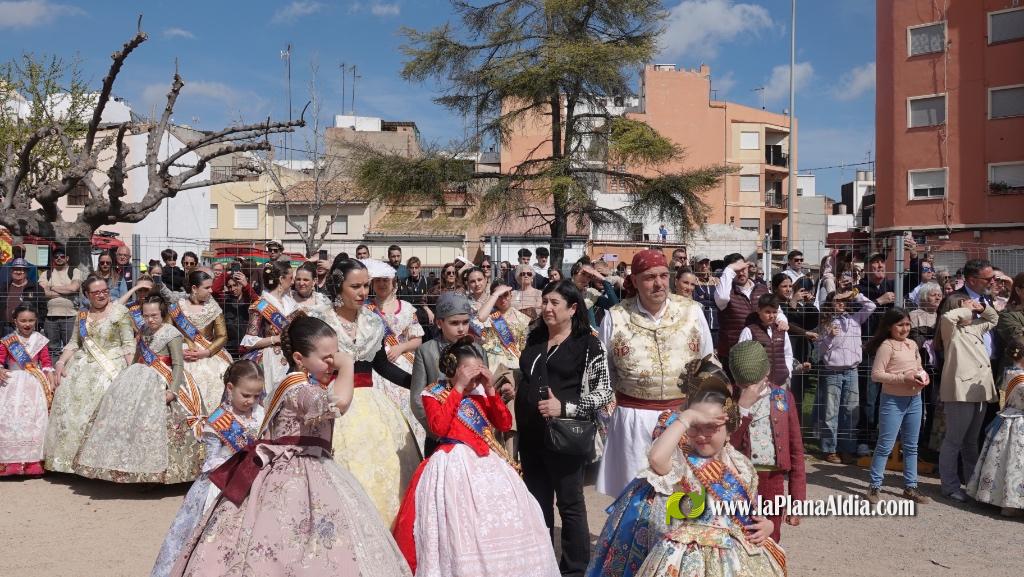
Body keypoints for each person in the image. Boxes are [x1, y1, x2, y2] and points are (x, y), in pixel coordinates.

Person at [168, 316, 411, 577]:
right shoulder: (299, 389)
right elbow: (338, 403)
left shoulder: (306, 384)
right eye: (326, 357)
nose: (333, 361)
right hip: (292, 473)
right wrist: (348, 364)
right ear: (299, 358)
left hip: (314, 467)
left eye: (336, 354)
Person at [391, 338, 558, 576]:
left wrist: (490, 390)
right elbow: (438, 427)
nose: (474, 378)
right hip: (453, 463)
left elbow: (504, 422)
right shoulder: (433, 393)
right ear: (453, 369)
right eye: (470, 372)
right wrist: (458, 388)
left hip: (488, 463)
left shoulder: (481, 392)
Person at [586, 358, 741, 577]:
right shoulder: (671, 421)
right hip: (665, 506)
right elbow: (659, 461)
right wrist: (688, 419)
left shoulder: (720, 426)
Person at [633, 381, 786, 577]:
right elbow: (656, 458)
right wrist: (687, 416)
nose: (701, 436)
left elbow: (750, 510)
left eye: (711, 427)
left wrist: (767, 524)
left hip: (738, 557)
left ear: (729, 429)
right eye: (694, 427)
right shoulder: (681, 462)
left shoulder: (741, 465)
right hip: (687, 559)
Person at [597, 249, 714, 497]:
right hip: (633, 420)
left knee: (679, 496)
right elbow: (603, 371)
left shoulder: (692, 311)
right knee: (635, 497)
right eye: (650, 277)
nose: (659, 283)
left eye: (663, 275)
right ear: (635, 281)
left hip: (682, 419)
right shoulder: (616, 317)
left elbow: (708, 363)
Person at [519, 281, 613, 576]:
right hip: (532, 436)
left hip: (565, 436)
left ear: (573, 308)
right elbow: (527, 375)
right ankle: (542, 564)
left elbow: (603, 393)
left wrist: (565, 408)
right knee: (537, 505)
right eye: (545, 301)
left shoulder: (588, 344)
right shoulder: (533, 338)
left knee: (570, 505)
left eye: (554, 303)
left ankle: (574, 570)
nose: (547, 307)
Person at [325, 258, 421, 526]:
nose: (363, 292)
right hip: (335, 403)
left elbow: (380, 365)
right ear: (337, 286)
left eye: (366, 285)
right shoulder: (321, 321)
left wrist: (417, 382)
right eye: (355, 286)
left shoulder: (372, 321)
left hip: (373, 404)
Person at [150, 361, 264, 577]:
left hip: (256, 480)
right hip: (222, 483)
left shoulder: (261, 413)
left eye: (257, 396)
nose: (251, 401)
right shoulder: (218, 420)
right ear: (230, 389)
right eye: (246, 395)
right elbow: (212, 460)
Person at [74, 294, 202, 483]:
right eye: (146, 315)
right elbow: (137, 356)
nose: (150, 320)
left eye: (154, 316)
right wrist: (126, 379)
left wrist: (172, 391)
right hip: (140, 379)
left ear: (163, 314)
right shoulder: (143, 330)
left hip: (164, 381)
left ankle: (166, 474)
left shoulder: (171, 333)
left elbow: (178, 365)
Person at [44, 276, 135, 473]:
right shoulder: (82, 315)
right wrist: (60, 362)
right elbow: (74, 343)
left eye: (105, 291)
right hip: (82, 366)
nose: (102, 295)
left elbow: (128, 344)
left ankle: (101, 463)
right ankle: (69, 461)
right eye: (96, 292)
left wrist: (133, 372)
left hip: (112, 365)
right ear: (87, 295)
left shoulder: (120, 312)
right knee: (67, 403)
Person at [729, 340, 807, 542]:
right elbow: (727, 445)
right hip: (739, 482)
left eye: (756, 381)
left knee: (771, 537)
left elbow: (796, 451)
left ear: (768, 371)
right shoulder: (729, 402)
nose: (752, 388)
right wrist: (742, 408)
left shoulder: (783, 398)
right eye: (745, 385)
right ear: (737, 382)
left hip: (773, 481)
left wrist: (797, 501)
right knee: (741, 535)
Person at [864, 308, 932, 505]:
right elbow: (876, 375)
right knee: (885, 445)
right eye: (900, 325)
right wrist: (903, 378)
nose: (905, 328)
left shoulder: (912, 344)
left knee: (911, 446)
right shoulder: (887, 346)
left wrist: (922, 376)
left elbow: (918, 367)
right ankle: (874, 486)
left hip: (914, 399)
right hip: (893, 400)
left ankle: (911, 486)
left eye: (908, 324)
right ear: (889, 327)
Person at [937, 294, 999, 502]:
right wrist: (966, 309)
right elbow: (946, 318)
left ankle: (972, 485)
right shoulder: (951, 331)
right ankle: (949, 486)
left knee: (971, 442)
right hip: (960, 392)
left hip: (979, 391)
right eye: (967, 307)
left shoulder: (974, 327)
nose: (972, 311)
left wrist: (980, 308)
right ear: (959, 309)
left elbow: (993, 319)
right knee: (953, 441)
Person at [411, 291, 486, 456]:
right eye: (454, 323)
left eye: (465, 322)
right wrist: (437, 432)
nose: (461, 328)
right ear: (439, 323)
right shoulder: (426, 351)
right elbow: (417, 400)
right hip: (441, 440)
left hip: (474, 431)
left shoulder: (478, 349)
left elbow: (483, 392)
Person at [367, 260, 427, 452]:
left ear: (394, 283)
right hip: (376, 367)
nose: (382, 284)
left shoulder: (408, 308)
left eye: (386, 280)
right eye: (378, 281)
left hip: (402, 364)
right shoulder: (365, 309)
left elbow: (417, 339)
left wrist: (401, 348)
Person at [815, 289, 876, 464]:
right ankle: (830, 449)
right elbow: (818, 351)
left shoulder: (855, 319)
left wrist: (855, 295)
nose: (840, 303)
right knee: (831, 411)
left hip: (852, 371)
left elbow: (870, 305)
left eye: (843, 301)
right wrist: (828, 338)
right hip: (832, 372)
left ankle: (847, 448)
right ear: (830, 304)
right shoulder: (826, 324)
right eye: (836, 301)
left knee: (851, 411)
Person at [967, 337, 1024, 517]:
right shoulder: (1019, 378)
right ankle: (1010, 503)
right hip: (1018, 421)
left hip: (1010, 420)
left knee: (1007, 461)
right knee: (1014, 462)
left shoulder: (1012, 372)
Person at [472, 281, 528, 451]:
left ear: (511, 296)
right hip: (491, 370)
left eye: (506, 294)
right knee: (491, 414)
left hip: (514, 371)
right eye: (499, 295)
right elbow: (478, 319)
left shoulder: (523, 319)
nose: (503, 299)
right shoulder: (488, 316)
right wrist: (494, 295)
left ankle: (511, 457)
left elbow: (524, 349)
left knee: (511, 415)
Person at [0, 304, 54, 477]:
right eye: (23, 320)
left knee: (34, 420)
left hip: (34, 385)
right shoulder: (8, 340)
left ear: (36, 321)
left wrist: (49, 378)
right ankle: (11, 462)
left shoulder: (40, 340)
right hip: (12, 384)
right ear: (15, 321)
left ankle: (33, 461)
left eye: (31, 320)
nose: (27, 324)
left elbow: (46, 363)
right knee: (11, 420)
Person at [169, 271, 234, 414]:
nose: (211, 290)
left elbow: (222, 336)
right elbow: (167, 335)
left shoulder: (213, 307)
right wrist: (178, 351)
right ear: (194, 288)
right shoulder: (176, 308)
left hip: (209, 354)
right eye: (207, 287)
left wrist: (206, 352)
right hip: (182, 354)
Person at [239, 261, 297, 395]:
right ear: (282, 279)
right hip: (271, 360)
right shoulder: (261, 305)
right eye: (291, 277)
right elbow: (249, 341)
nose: (293, 282)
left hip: (292, 356)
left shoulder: (291, 303)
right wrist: (275, 339)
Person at [715, 254, 771, 363]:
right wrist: (729, 269)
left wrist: (781, 320)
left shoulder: (762, 289)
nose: (741, 272)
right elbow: (722, 298)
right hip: (732, 357)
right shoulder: (724, 292)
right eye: (736, 270)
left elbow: (775, 311)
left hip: (760, 355)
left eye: (743, 268)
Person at [738, 294, 797, 389]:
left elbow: (788, 354)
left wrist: (788, 373)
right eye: (767, 312)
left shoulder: (781, 331)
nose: (772, 316)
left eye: (774, 312)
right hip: (758, 385)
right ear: (759, 310)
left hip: (781, 383)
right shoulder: (749, 331)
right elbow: (741, 359)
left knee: (781, 404)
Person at [39, 246, 82, 359]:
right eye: (56, 256)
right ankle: (54, 372)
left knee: (72, 348)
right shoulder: (46, 274)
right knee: (53, 350)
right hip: (50, 317)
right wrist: (65, 291)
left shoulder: (74, 271)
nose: (59, 258)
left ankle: (69, 375)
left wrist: (52, 287)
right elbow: (43, 292)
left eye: (62, 256)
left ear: (67, 258)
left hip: (70, 316)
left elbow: (74, 288)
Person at [212, 269, 259, 358]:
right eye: (229, 286)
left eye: (235, 285)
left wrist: (246, 285)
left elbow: (257, 300)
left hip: (247, 346)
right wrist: (226, 274)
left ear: (241, 285)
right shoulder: (225, 299)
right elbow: (214, 290)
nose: (232, 289)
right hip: (229, 347)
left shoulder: (248, 299)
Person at [1, 258, 46, 335]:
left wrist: (36, 324)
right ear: (11, 271)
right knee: (5, 348)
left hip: (28, 328)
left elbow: (43, 309)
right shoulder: (3, 288)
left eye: (22, 269)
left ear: (26, 272)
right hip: (6, 329)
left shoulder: (36, 288)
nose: (18, 272)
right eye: (15, 269)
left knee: (27, 348)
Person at [571, 260, 619, 329]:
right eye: (583, 274)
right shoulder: (563, 290)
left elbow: (615, 306)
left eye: (589, 276)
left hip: (588, 337)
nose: (585, 279)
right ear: (574, 273)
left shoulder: (590, 293)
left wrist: (603, 279)